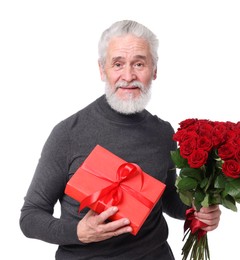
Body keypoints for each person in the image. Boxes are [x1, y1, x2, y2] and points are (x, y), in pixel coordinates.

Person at [20, 20, 221, 260]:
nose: (128, 76)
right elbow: (30, 216)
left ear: (154, 70)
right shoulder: (68, 134)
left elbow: (166, 199)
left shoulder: (163, 132)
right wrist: (78, 232)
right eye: (118, 64)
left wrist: (196, 209)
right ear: (102, 69)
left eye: (139, 63)